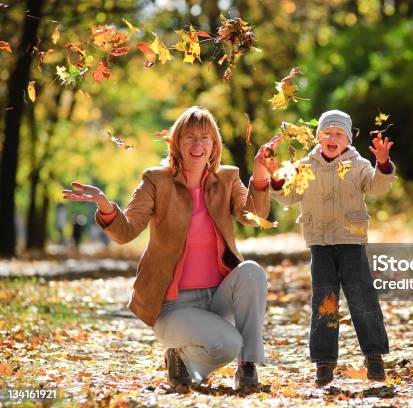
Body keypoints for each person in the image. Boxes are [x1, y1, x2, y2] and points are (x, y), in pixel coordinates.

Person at [62, 106, 273, 389]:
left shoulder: (227, 179)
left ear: (214, 145)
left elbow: (254, 217)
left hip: (218, 298)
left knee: (252, 272)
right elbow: (126, 231)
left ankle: (247, 367)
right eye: (189, 137)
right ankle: (178, 352)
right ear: (177, 143)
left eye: (205, 138)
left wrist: (260, 173)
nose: (197, 145)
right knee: (228, 345)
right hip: (174, 306)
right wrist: (105, 206)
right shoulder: (156, 181)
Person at [267, 109, 395, 387]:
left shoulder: (358, 164)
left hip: (351, 241)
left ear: (348, 140)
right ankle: (324, 363)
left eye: (339, 134)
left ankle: (374, 357)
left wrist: (382, 164)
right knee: (325, 303)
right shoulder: (305, 166)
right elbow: (288, 197)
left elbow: (377, 187)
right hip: (320, 243)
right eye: (327, 133)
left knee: (362, 298)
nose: (332, 138)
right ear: (317, 138)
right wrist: (275, 179)